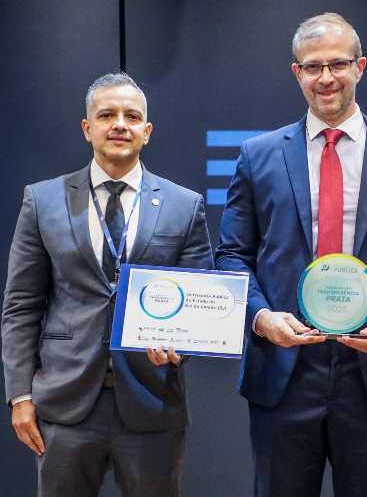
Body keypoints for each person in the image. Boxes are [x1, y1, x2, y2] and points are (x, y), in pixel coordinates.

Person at [216, 13, 367, 497]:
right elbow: (232, 255)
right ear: (296, 73)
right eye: (313, 66)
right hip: (283, 370)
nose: (326, 78)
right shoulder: (257, 156)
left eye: (338, 64)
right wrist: (261, 319)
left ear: (360, 67)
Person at [2, 72, 213, 497]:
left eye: (132, 116)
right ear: (87, 128)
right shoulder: (42, 200)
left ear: (147, 132)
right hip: (65, 403)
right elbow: (21, 305)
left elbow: (199, 301)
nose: (120, 124)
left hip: (153, 401)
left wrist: (181, 346)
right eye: (107, 115)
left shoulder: (184, 205)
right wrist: (20, 394)